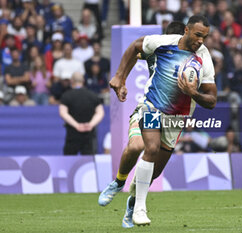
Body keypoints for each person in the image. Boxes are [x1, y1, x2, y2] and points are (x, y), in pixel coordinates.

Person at [98, 16, 216, 227]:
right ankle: (127, 193)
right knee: (148, 148)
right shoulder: (163, 43)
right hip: (151, 107)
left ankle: (133, 204)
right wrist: (119, 77)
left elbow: (212, 100)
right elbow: (135, 47)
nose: (201, 41)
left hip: (176, 119)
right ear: (186, 31)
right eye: (198, 35)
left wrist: (193, 93)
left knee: (154, 171)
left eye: (204, 37)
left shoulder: (204, 58)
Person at [59, 72, 104, 155]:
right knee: (89, 162)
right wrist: (90, 124)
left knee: (69, 160)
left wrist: (76, 125)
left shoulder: (66, 96)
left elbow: (63, 113)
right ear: (83, 81)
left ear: (71, 81)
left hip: (72, 134)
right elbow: (100, 112)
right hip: (89, 134)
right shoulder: (93, 95)